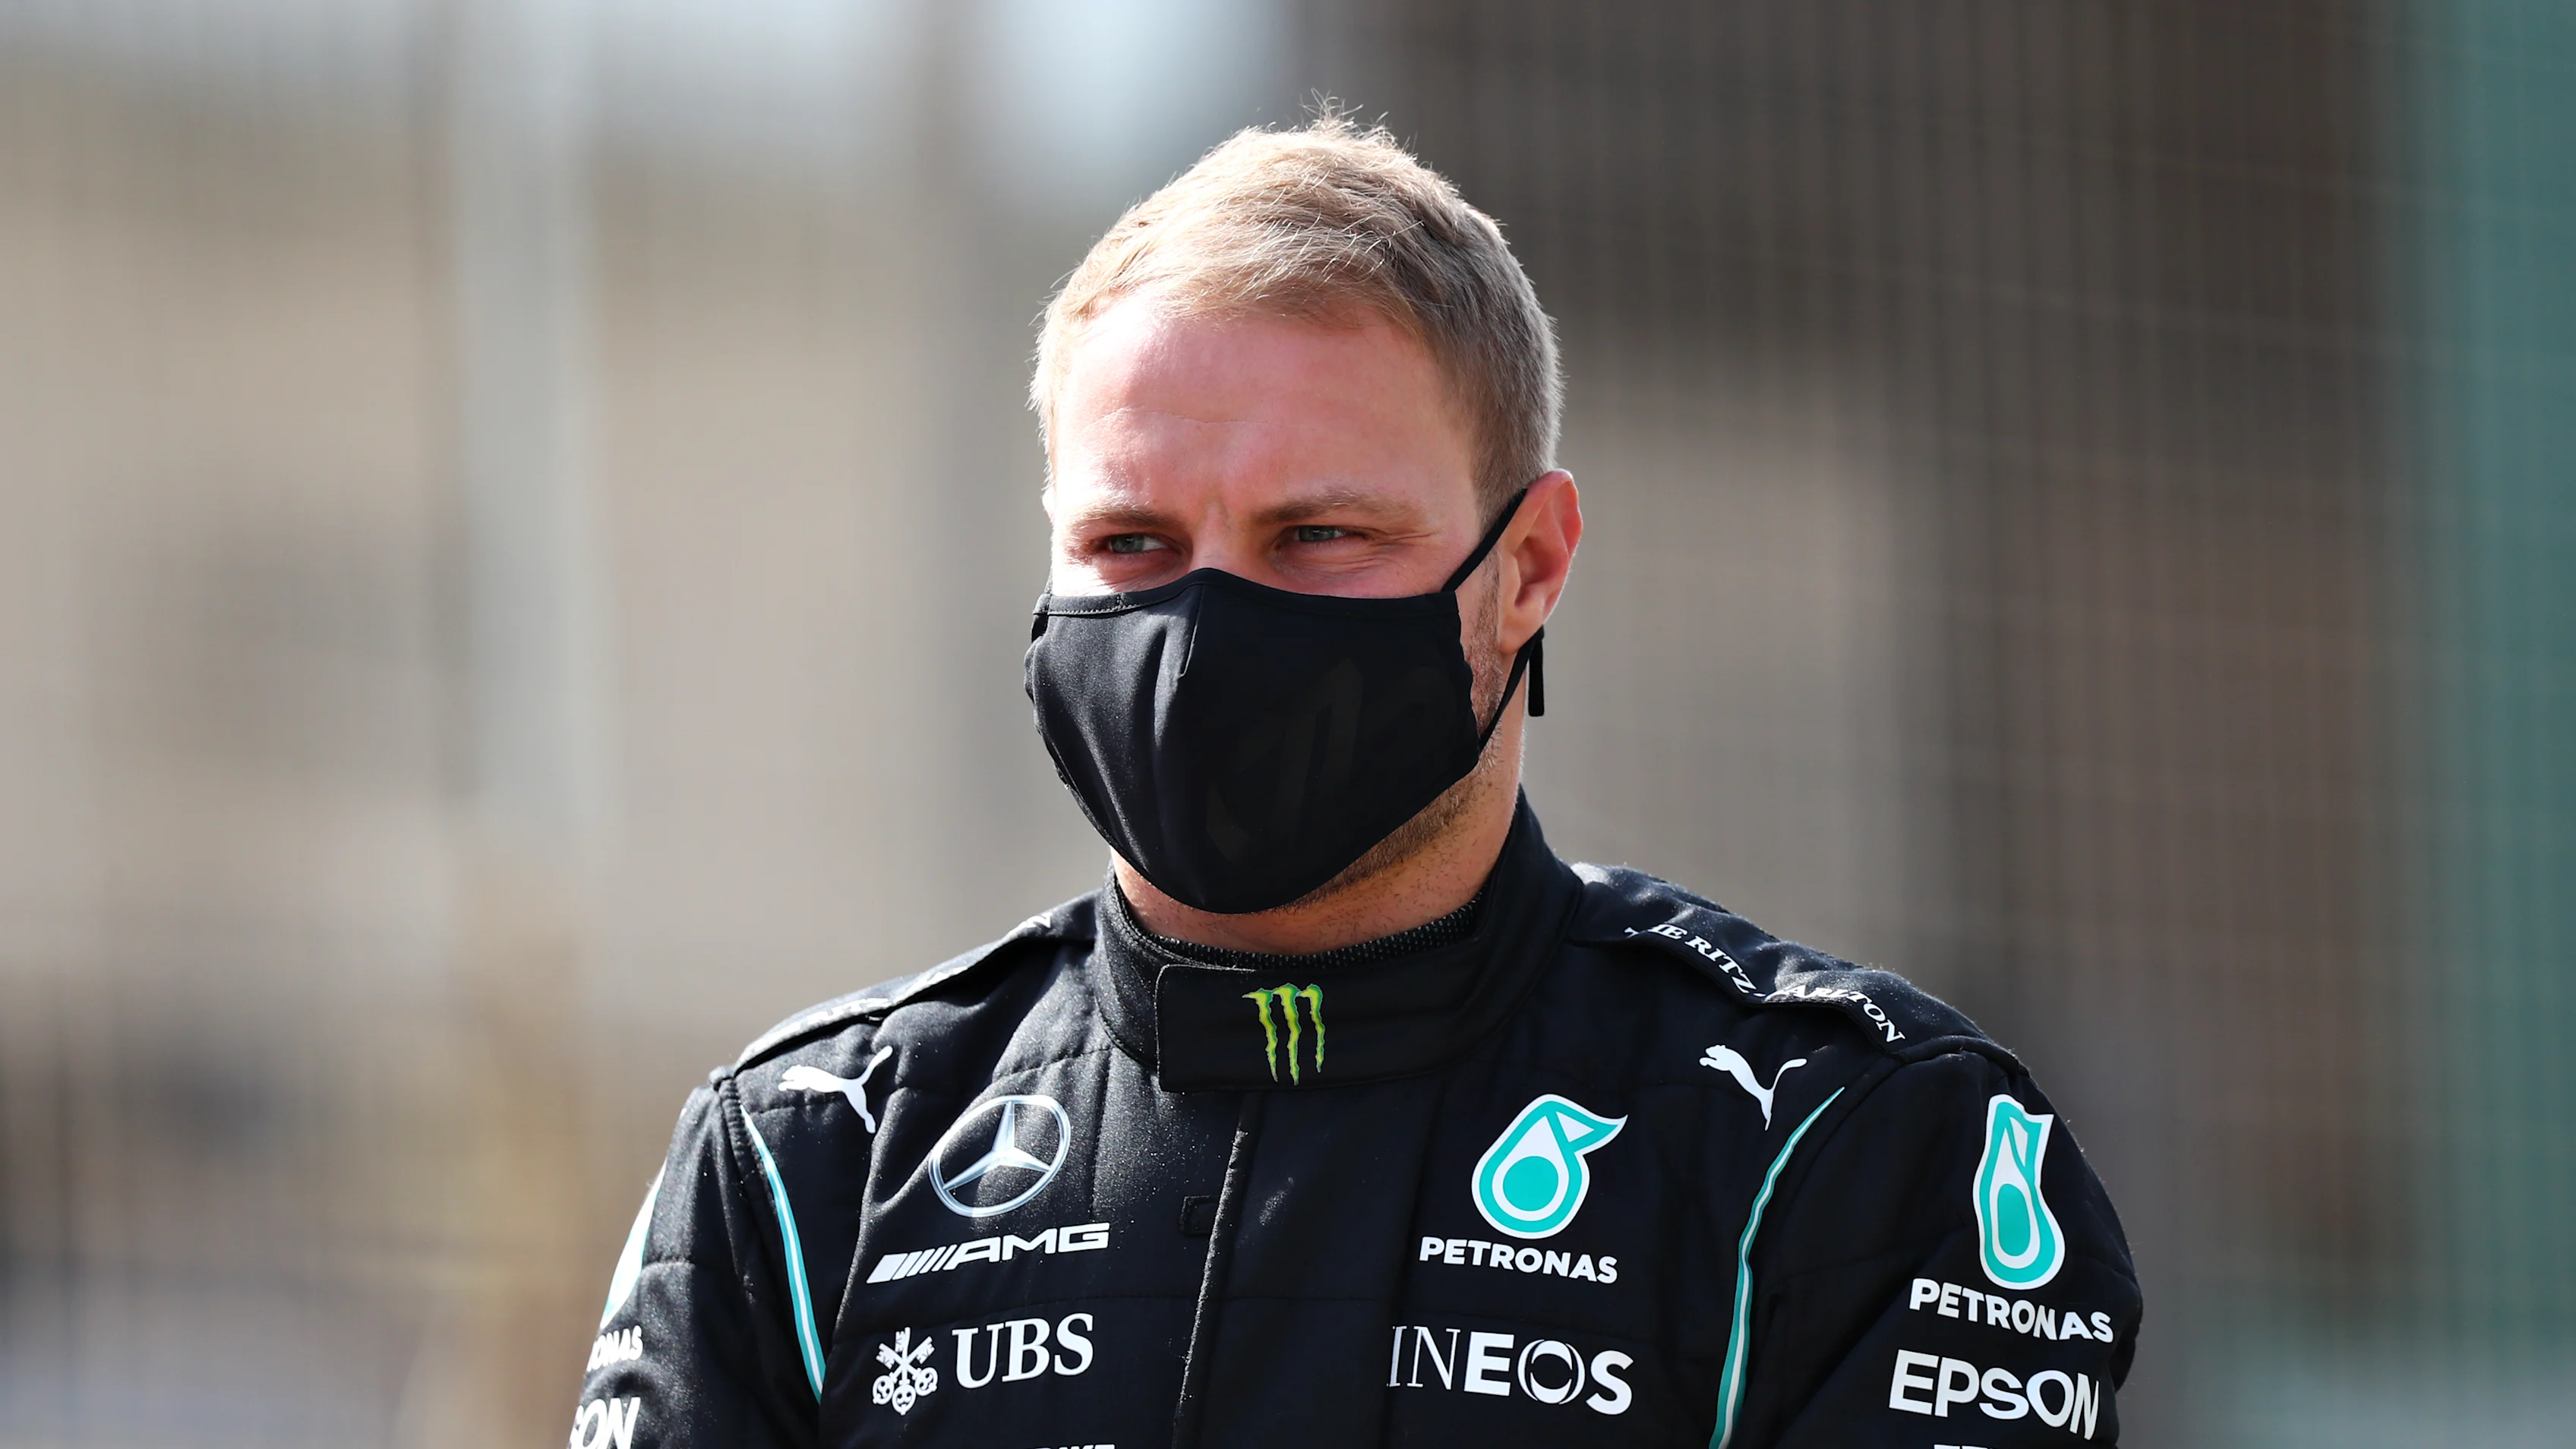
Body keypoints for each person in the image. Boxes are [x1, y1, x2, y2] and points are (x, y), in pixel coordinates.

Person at [567, 115, 2139, 1449]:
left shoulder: (1853, 1145)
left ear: (1525, 568)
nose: (1199, 630)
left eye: (1317, 538)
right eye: (1130, 545)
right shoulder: (806, 1161)